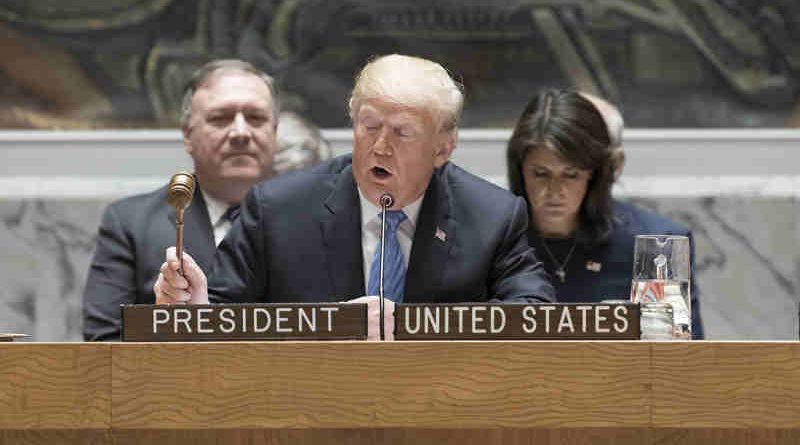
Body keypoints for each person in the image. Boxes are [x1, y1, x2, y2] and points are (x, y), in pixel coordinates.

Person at [154, 54, 555, 340]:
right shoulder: (278, 210)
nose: (380, 146)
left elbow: (534, 313)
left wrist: (413, 328)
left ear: (443, 148)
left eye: (402, 132)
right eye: (369, 126)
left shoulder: (492, 216)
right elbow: (221, 317)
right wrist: (196, 309)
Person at [83, 59, 283, 341]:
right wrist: (166, 325)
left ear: (274, 133)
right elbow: (103, 344)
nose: (240, 132)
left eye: (256, 118)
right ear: (188, 135)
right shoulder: (131, 224)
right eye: (220, 118)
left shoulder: (311, 220)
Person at [506, 89, 704, 339]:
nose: (555, 191)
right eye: (541, 174)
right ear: (520, 170)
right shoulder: (495, 240)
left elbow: (677, 360)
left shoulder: (657, 248)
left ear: (594, 175)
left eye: (571, 175)